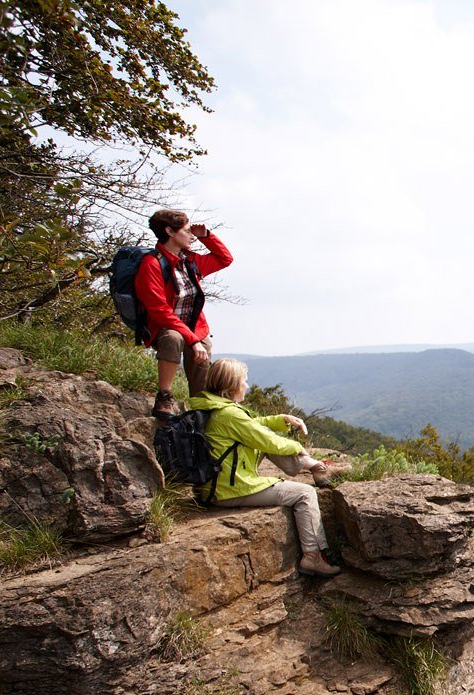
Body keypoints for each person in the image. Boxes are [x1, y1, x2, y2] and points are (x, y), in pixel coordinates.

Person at [186, 358, 342, 577]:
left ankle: (316, 468)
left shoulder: (212, 406)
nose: (247, 386)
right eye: (244, 381)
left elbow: (253, 427)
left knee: (265, 442)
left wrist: (281, 420)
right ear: (230, 386)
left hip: (215, 483)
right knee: (305, 493)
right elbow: (269, 442)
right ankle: (313, 558)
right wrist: (298, 447)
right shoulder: (229, 415)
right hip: (230, 490)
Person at [137, 209, 234, 418]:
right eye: (187, 231)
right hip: (164, 327)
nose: (192, 236)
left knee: (204, 345)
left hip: (193, 327)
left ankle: (201, 407)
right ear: (170, 231)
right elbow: (160, 311)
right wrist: (192, 340)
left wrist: (207, 236)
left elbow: (225, 259)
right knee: (174, 338)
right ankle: (164, 396)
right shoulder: (152, 264)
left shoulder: (190, 261)